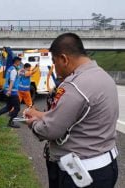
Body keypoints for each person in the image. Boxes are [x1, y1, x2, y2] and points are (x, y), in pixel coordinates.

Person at [24, 33, 119, 188]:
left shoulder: (74, 85)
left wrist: (32, 123)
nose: (55, 68)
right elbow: (76, 114)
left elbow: (50, 130)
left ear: (64, 59)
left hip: (82, 174)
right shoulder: (104, 77)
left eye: (54, 62)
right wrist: (40, 114)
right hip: (107, 166)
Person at [0, 56, 21, 128]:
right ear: (16, 61)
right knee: (17, 108)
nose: (20, 62)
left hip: (7, 90)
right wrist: (9, 91)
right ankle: (10, 122)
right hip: (12, 92)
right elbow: (11, 81)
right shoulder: (13, 70)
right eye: (19, 61)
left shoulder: (10, 69)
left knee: (8, 107)